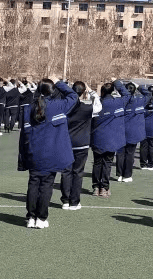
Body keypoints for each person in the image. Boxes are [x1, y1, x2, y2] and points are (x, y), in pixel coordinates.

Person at [18, 78, 78, 229]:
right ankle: (41, 218)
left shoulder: (28, 108)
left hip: (33, 152)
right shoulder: (58, 106)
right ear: (53, 91)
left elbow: (24, 134)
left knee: (33, 185)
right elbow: (73, 96)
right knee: (46, 186)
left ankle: (31, 217)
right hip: (51, 154)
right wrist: (59, 82)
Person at [60, 81, 101, 210]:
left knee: (66, 172)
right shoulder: (86, 108)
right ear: (83, 93)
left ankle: (65, 200)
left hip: (66, 142)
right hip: (81, 143)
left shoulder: (64, 107)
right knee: (77, 173)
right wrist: (92, 92)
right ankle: (74, 201)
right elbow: (99, 106)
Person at [91, 79, 128, 198]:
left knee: (97, 163)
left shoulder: (97, 103)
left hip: (97, 137)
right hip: (112, 138)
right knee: (107, 163)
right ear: (112, 91)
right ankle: (104, 188)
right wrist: (116, 82)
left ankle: (96, 187)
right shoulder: (117, 102)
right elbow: (127, 94)